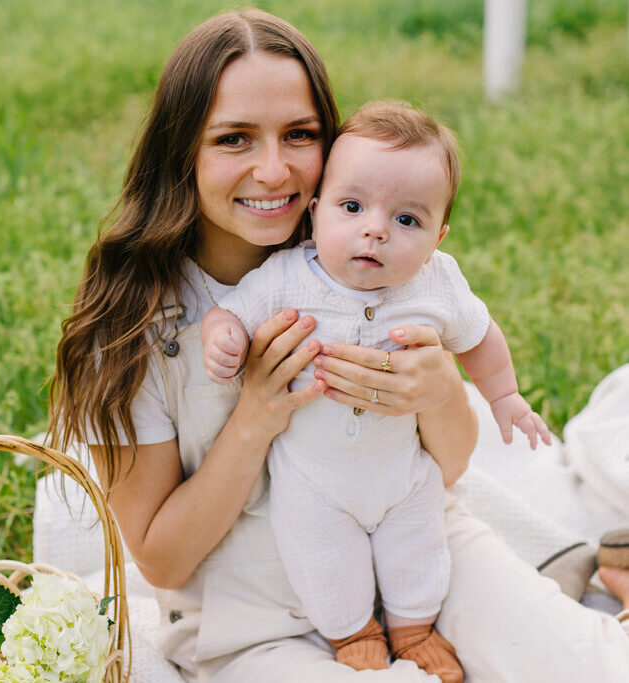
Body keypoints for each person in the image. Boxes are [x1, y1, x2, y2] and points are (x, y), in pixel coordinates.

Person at [48, 9, 629, 682]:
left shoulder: (367, 247)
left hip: (424, 563)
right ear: (182, 151)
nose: (273, 170)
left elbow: (448, 468)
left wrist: (440, 389)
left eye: (299, 134)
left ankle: (590, 592)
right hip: (259, 625)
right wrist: (255, 418)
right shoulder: (135, 326)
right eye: (234, 138)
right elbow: (160, 560)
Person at [200, 100, 549, 680]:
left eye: (406, 220)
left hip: (402, 471)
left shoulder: (437, 284)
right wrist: (224, 338)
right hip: (315, 480)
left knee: (419, 546)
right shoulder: (289, 277)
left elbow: (481, 336)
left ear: (438, 236)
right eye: (353, 206)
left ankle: (413, 625)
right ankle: (353, 630)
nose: (375, 229)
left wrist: (505, 395)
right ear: (316, 213)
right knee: (322, 557)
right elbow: (231, 311)